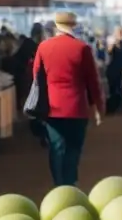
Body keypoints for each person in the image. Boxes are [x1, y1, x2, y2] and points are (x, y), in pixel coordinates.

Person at [32, 11, 103, 187]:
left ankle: (58, 184)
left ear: (56, 26)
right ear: (74, 25)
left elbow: (36, 76)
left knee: (56, 148)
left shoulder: (43, 47)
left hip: (52, 107)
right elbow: (93, 82)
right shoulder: (82, 48)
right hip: (77, 108)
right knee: (73, 148)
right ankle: (71, 183)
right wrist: (99, 108)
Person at [105, 26, 122, 114]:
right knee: (113, 88)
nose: (119, 34)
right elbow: (109, 52)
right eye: (117, 32)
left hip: (120, 69)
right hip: (113, 70)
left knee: (119, 89)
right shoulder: (113, 43)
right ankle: (113, 108)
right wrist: (114, 43)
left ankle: (119, 107)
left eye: (120, 32)